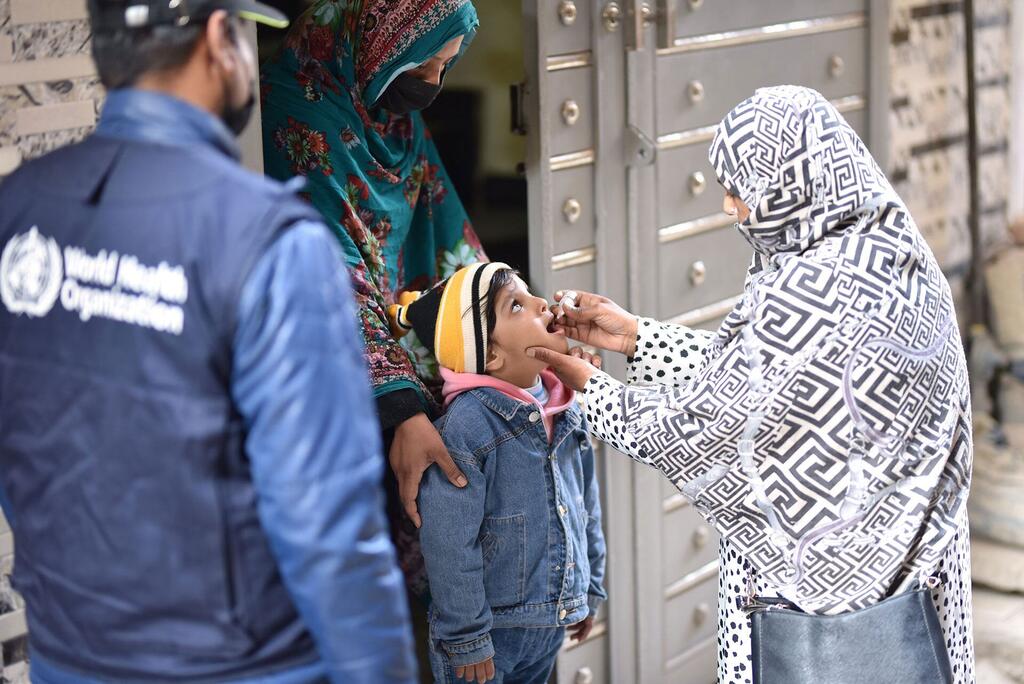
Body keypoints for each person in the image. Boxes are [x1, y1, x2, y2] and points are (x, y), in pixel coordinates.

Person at [0, 1, 416, 682]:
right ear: (223, 39)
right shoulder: (269, 242)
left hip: (68, 656)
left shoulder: (18, 211)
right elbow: (330, 534)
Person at [530, 86, 974, 683]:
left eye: (741, 187)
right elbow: (769, 386)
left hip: (819, 624)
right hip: (918, 598)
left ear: (788, 184)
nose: (729, 206)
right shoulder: (893, 256)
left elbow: (705, 422)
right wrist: (635, 337)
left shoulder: (805, 293)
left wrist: (588, 387)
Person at [260, 3, 486, 593]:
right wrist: (400, 405)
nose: (434, 84)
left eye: (445, 66)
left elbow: (444, 226)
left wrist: (506, 314)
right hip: (323, 357)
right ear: (379, 42)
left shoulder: (390, 113)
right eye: (425, 64)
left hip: (392, 326)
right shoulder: (294, 110)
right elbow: (330, 269)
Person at [387, 263, 607, 684]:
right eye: (517, 305)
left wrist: (590, 587)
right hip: (489, 635)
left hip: (549, 621)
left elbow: (585, 505)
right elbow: (450, 543)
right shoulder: (467, 429)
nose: (543, 303)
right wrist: (467, 636)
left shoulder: (567, 407)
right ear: (490, 354)